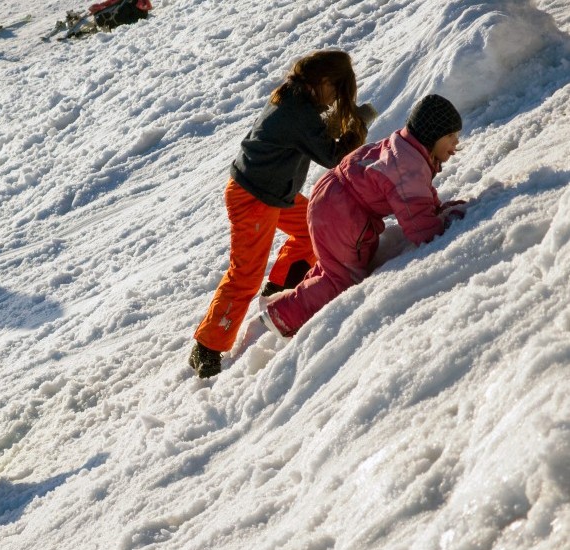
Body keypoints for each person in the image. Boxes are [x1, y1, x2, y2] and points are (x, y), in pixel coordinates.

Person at [189, 49, 377, 378]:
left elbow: (317, 135)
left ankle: (278, 291)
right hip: (254, 197)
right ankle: (207, 347)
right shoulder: (298, 112)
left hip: (270, 193)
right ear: (323, 82)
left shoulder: (295, 96)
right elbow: (333, 155)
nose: (336, 97)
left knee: (309, 228)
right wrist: (358, 123)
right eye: (337, 89)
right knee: (245, 274)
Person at [261, 94, 467, 338]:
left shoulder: (405, 150)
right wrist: (444, 223)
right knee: (343, 278)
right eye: (451, 136)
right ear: (432, 136)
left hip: (333, 201)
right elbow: (419, 226)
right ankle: (282, 316)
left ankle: (295, 302)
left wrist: (438, 209)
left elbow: (419, 194)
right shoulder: (407, 165)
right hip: (340, 212)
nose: (456, 143)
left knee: (334, 267)